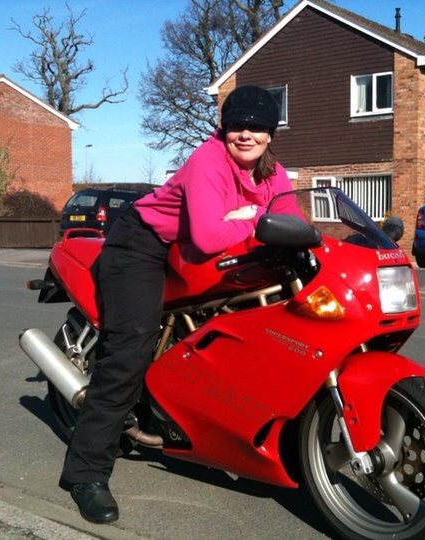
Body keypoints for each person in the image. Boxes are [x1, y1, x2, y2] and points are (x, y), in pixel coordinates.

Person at [59, 85, 302, 524]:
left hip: (192, 248)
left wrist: (269, 228)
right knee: (130, 346)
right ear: (224, 128)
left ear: (271, 133)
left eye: (258, 127)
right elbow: (209, 236)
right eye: (237, 125)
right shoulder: (209, 159)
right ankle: (86, 473)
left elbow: (291, 223)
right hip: (142, 243)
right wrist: (253, 219)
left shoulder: (274, 174)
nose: (246, 134)